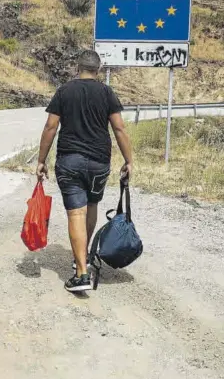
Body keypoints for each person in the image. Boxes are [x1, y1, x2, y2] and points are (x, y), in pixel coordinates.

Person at [36, 49, 133, 293]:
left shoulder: (64, 91)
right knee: (91, 207)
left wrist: (41, 160)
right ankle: (85, 257)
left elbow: (50, 127)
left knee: (75, 214)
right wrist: (129, 160)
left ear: (77, 68)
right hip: (99, 162)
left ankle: (81, 274)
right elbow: (119, 129)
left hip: (69, 160)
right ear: (98, 70)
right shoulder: (106, 92)